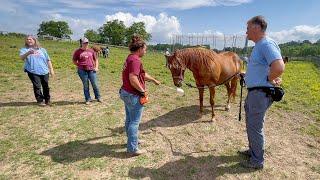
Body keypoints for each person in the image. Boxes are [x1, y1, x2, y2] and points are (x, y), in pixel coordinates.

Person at [238, 16, 285, 169]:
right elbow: (264, 67)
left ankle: (257, 161)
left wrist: (269, 78)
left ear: (257, 28)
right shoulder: (260, 45)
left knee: (255, 126)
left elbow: (279, 67)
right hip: (255, 92)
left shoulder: (266, 44)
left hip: (259, 93)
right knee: (251, 125)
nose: (246, 32)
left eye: (248, 28)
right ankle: (253, 151)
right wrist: (248, 75)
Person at [119, 35, 160, 156]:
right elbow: (133, 78)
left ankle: (132, 140)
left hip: (126, 93)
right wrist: (143, 91)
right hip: (133, 95)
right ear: (140, 48)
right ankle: (132, 148)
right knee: (134, 122)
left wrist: (153, 80)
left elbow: (141, 74)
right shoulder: (136, 60)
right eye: (145, 49)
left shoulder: (130, 58)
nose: (146, 51)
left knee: (129, 119)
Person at [19, 35, 55, 106]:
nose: (29, 41)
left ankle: (48, 100)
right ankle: (40, 100)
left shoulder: (42, 50)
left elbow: (48, 59)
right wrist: (28, 53)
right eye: (27, 39)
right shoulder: (24, 49)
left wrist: (51, 69)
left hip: (44, 70)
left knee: (46, 86)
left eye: (30, 39)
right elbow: (21, 58)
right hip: (33, 71)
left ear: (34, 40)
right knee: (37, 86)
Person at [73, 37, 101, 105]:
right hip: (82, 71)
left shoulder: (91, 51)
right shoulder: (77, 51)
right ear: (81, 43)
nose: (86, 44)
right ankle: (88, 99)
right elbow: (74, 60)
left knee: (95, 84)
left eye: (87, 43)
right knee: (86, 85)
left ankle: (98, 97)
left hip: (91, 70)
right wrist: (79, 65)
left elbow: (96, 59)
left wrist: (96, 67)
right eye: (84, 43)